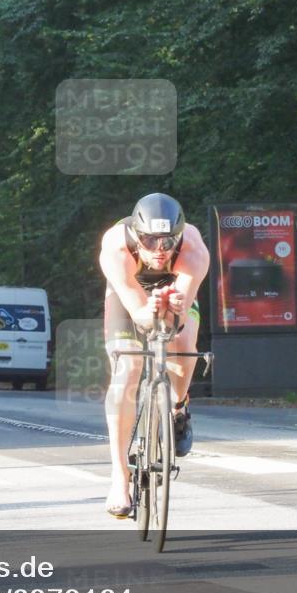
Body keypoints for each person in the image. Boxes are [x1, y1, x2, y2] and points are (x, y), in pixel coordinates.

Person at [99, 193, 210, 518]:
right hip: (130, 295)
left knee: (184, 341)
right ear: (136, 234)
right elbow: (140, 317)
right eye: (149, 241)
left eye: (167, 242)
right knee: (127, 367)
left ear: (179, 236)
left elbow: (175, 322)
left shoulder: (193, 248)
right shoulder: (116, 248)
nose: (158, 250)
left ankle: (178, 407)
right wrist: (150, 310)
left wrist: (171, 310)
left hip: (175, 290)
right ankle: (120, 477)